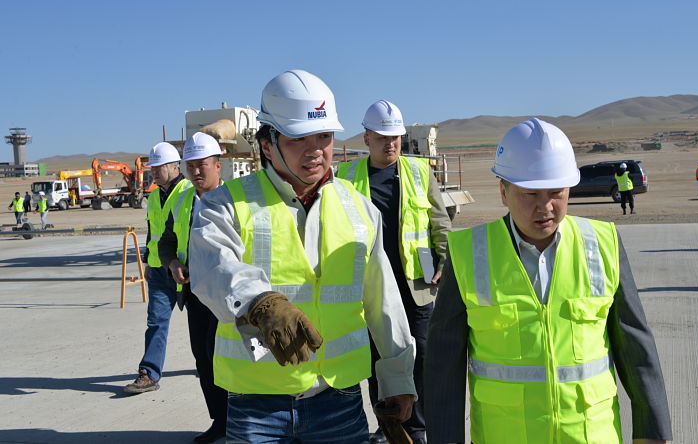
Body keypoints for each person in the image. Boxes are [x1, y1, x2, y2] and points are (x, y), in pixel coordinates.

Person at [189, 69, 416, 444]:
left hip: (338, 399)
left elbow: (383, 302)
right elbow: (213, 268)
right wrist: (260, 301)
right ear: (267, 144)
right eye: (298, 138)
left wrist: (398, 379)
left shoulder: (360, 209)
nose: (316, 150)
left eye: (324, 136)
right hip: (256, 403)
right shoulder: (225, 204)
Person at [424, 118, 672, 444]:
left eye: (556, 193)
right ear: (503, 192)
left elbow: (635, 345)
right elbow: (444, 361)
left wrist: (653, 430)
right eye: (530, 194)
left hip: (590, 435)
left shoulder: (602, 243)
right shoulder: (468, 252)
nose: (545, 207)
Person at [337, 100, 451, 444]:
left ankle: (417, 428)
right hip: (370, 285)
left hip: (415, 282)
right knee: (378, 359)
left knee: (420, 358)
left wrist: (444, 262)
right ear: (367, 138)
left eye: (395, 137)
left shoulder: (419, 171)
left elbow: (439, 221)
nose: (391, 144)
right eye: (383, 137)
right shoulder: (345, 176)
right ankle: (388, 426)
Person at [160, 132, 228, 443]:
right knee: (204, 358)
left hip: (230, 297)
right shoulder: (183, 201)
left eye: (203, 165)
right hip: (196, 296)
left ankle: (243, 419)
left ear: (218, 165)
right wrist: (173, 263)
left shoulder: (237, 199)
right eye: (191, 166)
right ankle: (220, 421)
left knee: (229, 358)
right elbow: (167, 241)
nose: (196, 172)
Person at [124, 142, 191, 395]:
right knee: (156, 322)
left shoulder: (188, 191)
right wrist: (147, 262)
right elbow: (153, 231)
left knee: (206, 325)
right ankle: (149, 373)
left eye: (158, 167)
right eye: (152, 167)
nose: (153, 172)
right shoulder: (153, 195)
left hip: (187, 272)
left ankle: (212, 366)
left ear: (174, 166)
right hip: (160, 271)